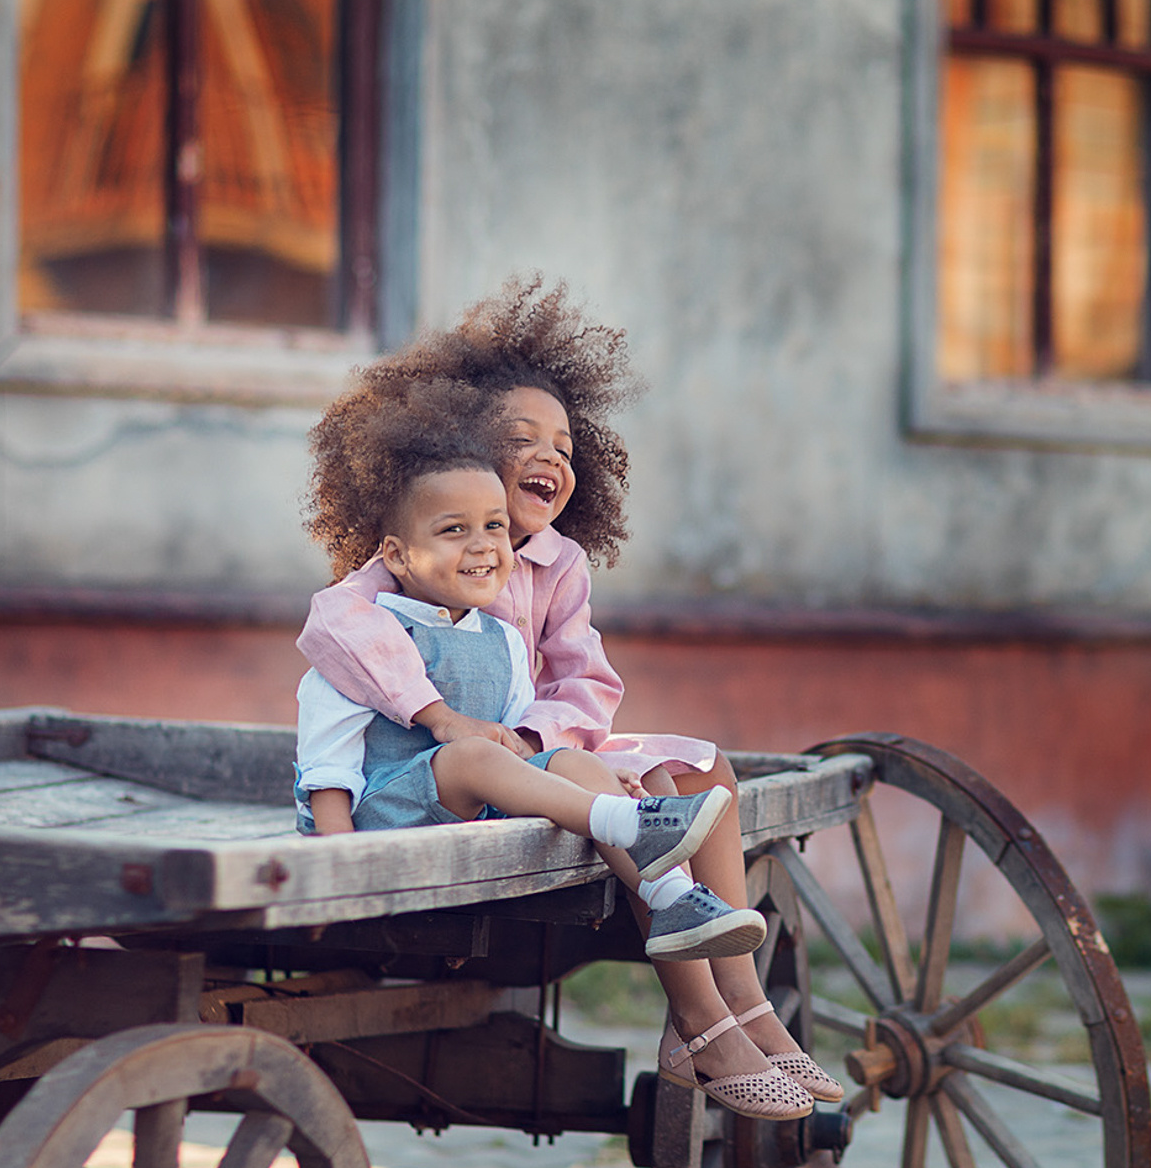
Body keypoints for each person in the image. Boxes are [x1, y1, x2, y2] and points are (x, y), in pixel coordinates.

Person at [299, 277, 842, 1106]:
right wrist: (445, 717)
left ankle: (749, 1003)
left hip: (537, 747)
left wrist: (533, 735)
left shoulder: (558, 563)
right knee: (643, 789)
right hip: (454, 768)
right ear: (456, 448)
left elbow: (585, 681)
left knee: (705, 773)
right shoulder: (413, 553)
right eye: (524, 438)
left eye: (565, 443)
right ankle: (702, 1019)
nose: (552, 456)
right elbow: (340, 625)